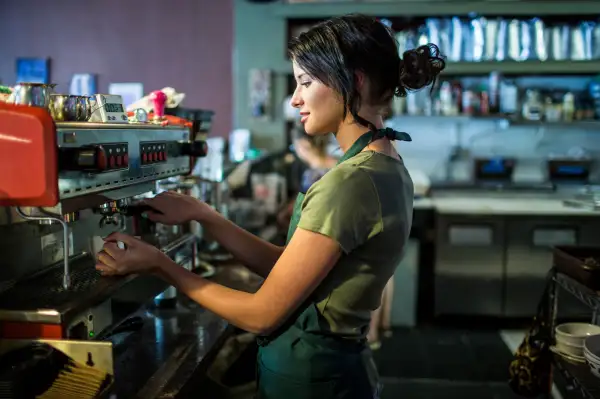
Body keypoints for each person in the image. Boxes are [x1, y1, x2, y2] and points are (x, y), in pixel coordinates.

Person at [95, 14, 444, 399]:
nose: (295, 99)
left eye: (306, 83)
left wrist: (160, 265)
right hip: (336, 373)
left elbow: (261, 315)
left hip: (312, 380)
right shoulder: (387, 165)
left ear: (354, 81)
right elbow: (290, 266)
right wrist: (204, 214)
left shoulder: (350, 182)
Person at [277, 134, 337, 230]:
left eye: (295, 146)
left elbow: (305, 203)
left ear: (304, 144)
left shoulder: (312, 174)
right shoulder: (339, 163)